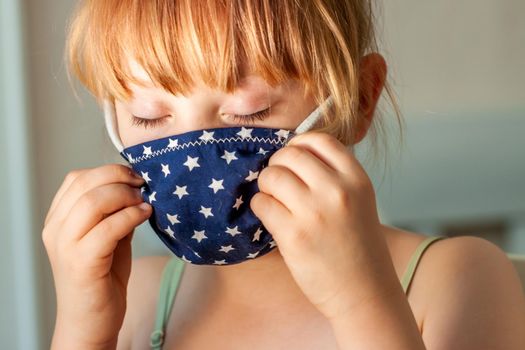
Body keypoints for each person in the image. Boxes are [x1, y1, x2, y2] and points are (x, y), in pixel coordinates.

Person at [43, 1, 525, 349]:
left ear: (359, 99)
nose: (194, 147)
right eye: (149, 117)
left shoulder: (459, 279)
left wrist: (360, 300)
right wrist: (83, 331)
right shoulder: (140, 300)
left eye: (249, 112)